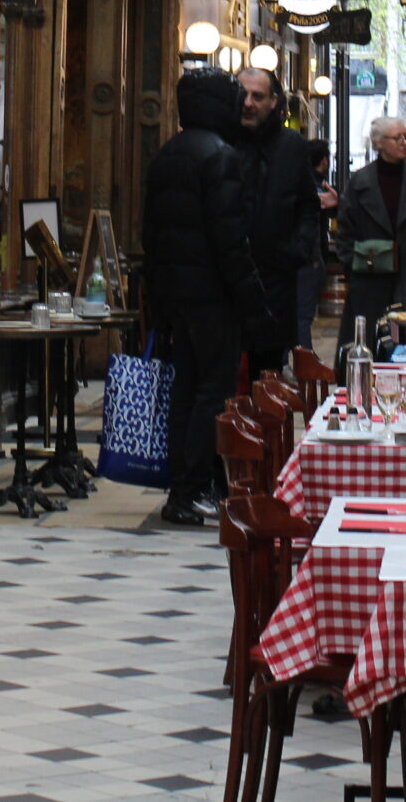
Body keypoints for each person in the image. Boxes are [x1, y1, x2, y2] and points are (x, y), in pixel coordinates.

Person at [142, 68, 270, 526]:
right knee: (212, 393)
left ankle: (184, 485)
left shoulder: (167, 156)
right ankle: (192, 488)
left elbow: (152, 237)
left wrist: (158, 300)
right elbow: (230, 241)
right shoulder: (221, 157)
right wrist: (253, 303)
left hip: (177, 298)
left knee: (186, 390)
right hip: (214, 298)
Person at [232, 65, 326, 375]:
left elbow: (308, 206)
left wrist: (297, 250)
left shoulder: (291, 145)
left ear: (273, 101)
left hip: (275, 281)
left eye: (257, 96)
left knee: (269, 374)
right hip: (226, 280)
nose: (248, 103)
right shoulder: (221, 141)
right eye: (242, 94)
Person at [334, 116, 406, 343]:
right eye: (397, 138)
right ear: (379, 142)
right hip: (370, 281)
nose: (404, 142)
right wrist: (354, 267)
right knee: (368, 348)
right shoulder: (360, 182)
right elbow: (345, 232)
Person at [300, 146, 338, 350]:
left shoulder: (304, 184)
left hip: (305, 257)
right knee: (303, 315)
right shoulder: (315, 188)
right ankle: (305, 363)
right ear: (323, 160)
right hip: (309, 258)